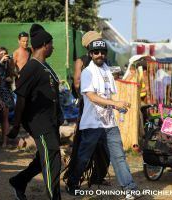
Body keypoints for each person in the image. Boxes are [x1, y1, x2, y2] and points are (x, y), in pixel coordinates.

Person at [66, 39, 137, 198]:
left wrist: (118, 106)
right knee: (84, 157)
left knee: (119, 157)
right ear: (90, 54)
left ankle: (130, 188)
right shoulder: (87, 72)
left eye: (103, 52)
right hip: (92, 124)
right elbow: (91, 96)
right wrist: (115, 103)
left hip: (109, 123)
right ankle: (72, 183)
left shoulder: (107, 71)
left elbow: (107, 94)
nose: (100, 55)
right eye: (96, 52)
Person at [7, 24, 63, 200]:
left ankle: (19, 181)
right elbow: (21, 98)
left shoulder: (44, 66)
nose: (53, 47)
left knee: (45, 157)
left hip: (50, 121)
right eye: (51, 44)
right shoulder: (31, 67)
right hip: (40, 122)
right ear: (45, 45)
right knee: (52, 158)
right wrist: (16, 126)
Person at [64, 31, 110, 187]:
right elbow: (77, 82)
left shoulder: (103, 61)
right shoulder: (82, 60)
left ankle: (97, 177)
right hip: (89, 109)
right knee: (86, 147)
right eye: (97, 42)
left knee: (104, 148)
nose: (100, 45)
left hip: (104, 111)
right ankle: (73, 181)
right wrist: (88, 97)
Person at [0, 47, 15, 147]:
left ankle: (5, 142)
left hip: (5, 92)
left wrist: (10, 64)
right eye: (1, 54)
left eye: (5, 53)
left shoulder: (7, 63)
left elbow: (10, 76)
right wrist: (1, 63)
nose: (4, 56)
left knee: (5, 118)